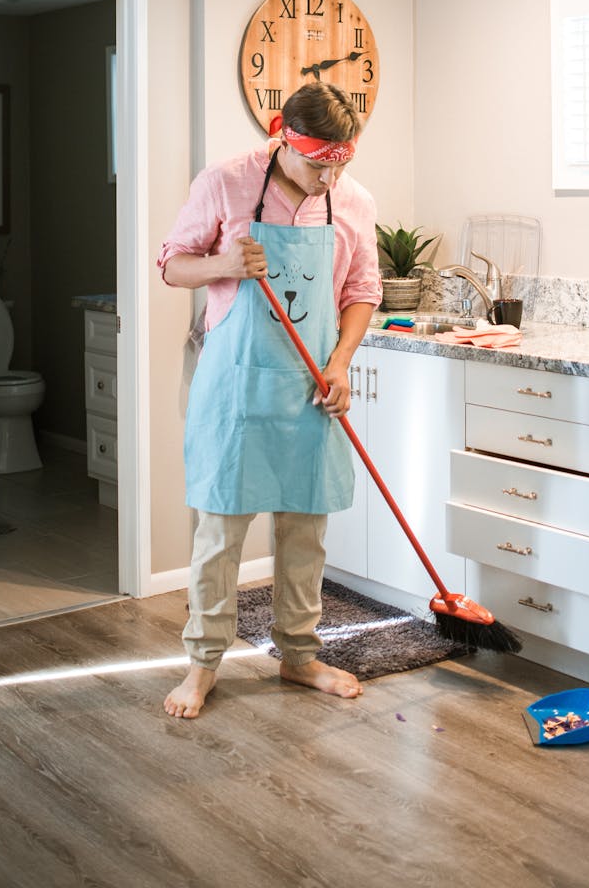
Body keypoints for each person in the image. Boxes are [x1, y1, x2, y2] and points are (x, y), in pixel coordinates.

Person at [158, 82, 382, 719]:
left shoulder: (353, 200)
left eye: (339, 166)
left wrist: (340, 364)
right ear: (285, 137)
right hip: (236, 388)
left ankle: (299, 656)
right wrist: (224, 262)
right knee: (220, 536)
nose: (325, 179)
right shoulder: (225, 182)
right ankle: (202, 666)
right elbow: (173, 265)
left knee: (305, 534)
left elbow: (363, 288)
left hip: (311, 391)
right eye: (317, 165)